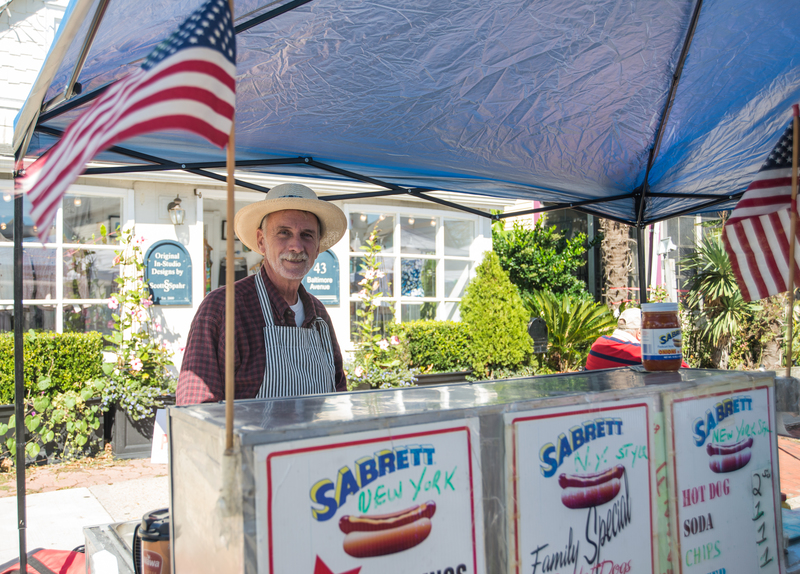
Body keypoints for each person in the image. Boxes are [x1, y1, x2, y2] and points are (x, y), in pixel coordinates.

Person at [177, 183, 348, 405]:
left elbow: (338, 394)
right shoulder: (224, 308)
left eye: (307, 235)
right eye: (283, 233)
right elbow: (196, 409)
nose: (296, 246)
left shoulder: (319, 316)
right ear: (261, 241)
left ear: (317, 248)